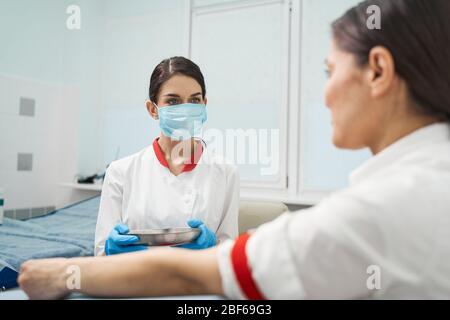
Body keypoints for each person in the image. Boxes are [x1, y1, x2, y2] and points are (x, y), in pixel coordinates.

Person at [18, 0, 450, 299]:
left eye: (329, 71)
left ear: (378, 70)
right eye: (172, 102)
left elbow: (218, 268)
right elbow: (105, 253)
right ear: (153, 109)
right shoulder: (424, 180)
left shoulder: (376, 209)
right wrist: (106, 255)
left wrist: (61, 272)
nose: (324, 96)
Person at [94, 57, 239, 256]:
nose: (185, 109)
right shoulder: (120, 172)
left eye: (195, 100)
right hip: (137, 280)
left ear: (204, 105)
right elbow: (101, 252)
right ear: (153, 109)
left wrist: (213, 247)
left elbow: (230, 255)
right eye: (173, 101)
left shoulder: (225, 172)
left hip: (196, 283)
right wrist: (112, 251)